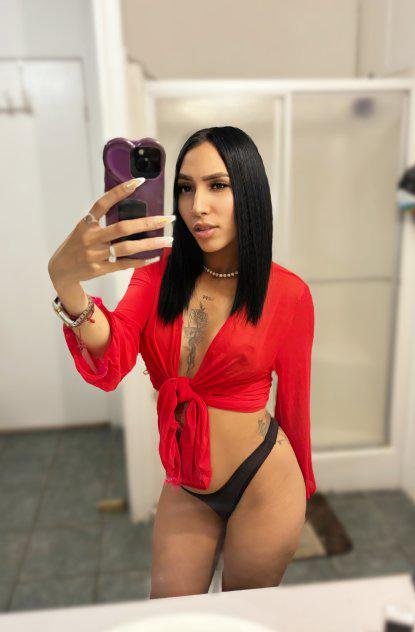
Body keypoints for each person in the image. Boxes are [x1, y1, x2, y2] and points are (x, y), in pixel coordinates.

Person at [48, 126, 316, 598]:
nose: (197, 206)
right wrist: (66, 283)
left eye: (218, 185)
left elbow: (295, 405)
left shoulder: (288, 294)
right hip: (188, 481)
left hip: (265, 483)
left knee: (242, 621)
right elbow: (113, 353)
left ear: (249, 193)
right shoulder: (159, 272)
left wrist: (304, 491)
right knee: (166, 614)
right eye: (186, 188)